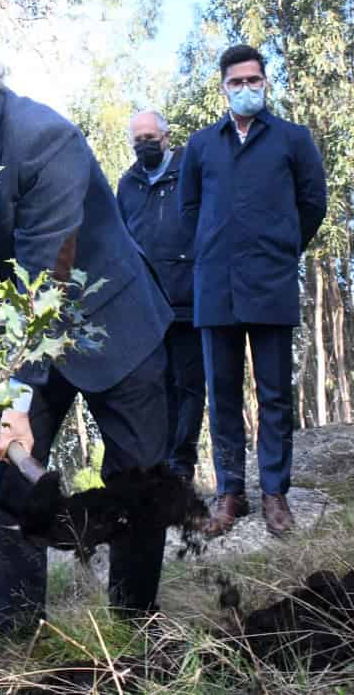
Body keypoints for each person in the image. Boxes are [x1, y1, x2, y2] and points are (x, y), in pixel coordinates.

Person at [0, 21, 173, 632]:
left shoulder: (44, 138)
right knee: (10, 487)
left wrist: (16, 399)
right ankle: (20, 637)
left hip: (111, 322)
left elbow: (44, 274)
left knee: (137, 482)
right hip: (18, 333)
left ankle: (133, 629)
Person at [180, 45, 327, 536]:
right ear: (223, 87)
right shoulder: (201, 146)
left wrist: (283, 246)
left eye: (253, 80)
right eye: (236, 82)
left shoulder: (292, 139)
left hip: (271, 282)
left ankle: (274, 494)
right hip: (215, 287)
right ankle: (230, 493)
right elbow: (188, 210)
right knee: (221, 395)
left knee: (275, 394)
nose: (246, 88)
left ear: (266, 82)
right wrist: (211, 248)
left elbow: (313, 202)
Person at [116, 109, 205, 482]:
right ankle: (160, 468)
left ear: (166, 137)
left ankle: (182, 465)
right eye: (138, 140)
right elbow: (120, 240)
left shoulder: (190, 171)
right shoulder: (127, 185)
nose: (145, 145)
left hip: (189, 298)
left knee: (189, 386)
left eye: (150, 138)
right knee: (155, 388)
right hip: (147, 306)